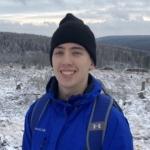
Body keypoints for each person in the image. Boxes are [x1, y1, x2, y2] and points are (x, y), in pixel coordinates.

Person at [22, 13, 133, 150]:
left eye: (76, 52)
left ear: (91, 62)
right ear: (52, 60)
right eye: (59, 52)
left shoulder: (109, 120)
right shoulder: (36, 113)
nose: (66, 61)